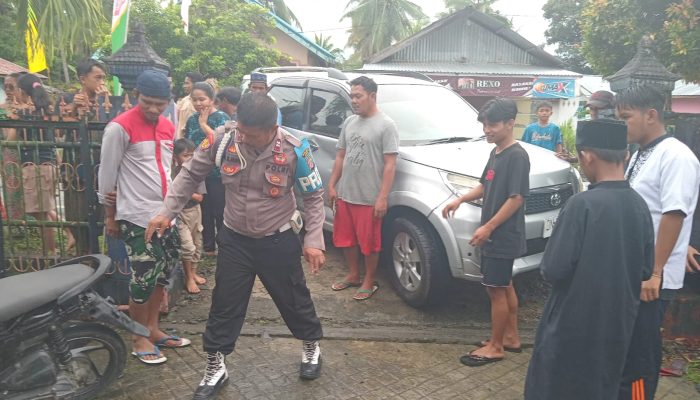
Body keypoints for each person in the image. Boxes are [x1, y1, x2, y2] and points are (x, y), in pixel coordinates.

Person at [147, 93, 326, 398]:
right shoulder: (223, 140)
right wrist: (166, 212)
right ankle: (216, 364)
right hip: (235, 240)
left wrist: (313, 241)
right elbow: (189, 175)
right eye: (240, 129)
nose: (243, 137)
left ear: (272, 129)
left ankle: (311, 346)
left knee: (294, 298)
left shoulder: (296, 151)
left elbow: (312, 198)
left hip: (278, 239)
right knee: (224, 304)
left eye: (251, 135)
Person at [524, 119, 655, 399]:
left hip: (572, 328)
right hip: (616, 328)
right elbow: (645, 269)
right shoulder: (639, 206)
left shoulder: (581, 205)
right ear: (626, 156)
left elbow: (553, 268)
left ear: (587, 156)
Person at [98, 70, 191, 366]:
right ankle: (138, 336)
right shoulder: (119, 128)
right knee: (142, 279)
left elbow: (167, 168)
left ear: (168, 101)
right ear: (136, 95)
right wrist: (110, 217)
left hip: (165, 216)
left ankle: (152, 329)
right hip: (137, 217)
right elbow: (107, 176)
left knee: (161, 276)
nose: (153, 109)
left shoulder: (167, 125)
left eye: (159, 103)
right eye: (147, 102)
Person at [617, 85, 700, 399]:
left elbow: (674, 214)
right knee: (628, 349)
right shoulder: (641, 153)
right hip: (636, 270)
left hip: (651, 277)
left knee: (640, 356)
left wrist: (655, 271)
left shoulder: (676, 155)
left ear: (650, 114)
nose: (621, 123)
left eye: (626, 116)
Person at [442, 98, 529, 367]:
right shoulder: (497, 152)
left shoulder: (517, 156)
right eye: (485, 125)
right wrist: (460, 199)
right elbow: (484, 186)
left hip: (503, 235)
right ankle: (511, 337)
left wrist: (488, 227)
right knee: (505, 284)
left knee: (495, 290)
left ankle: (496, 346)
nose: (487, 130)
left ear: (510, 124)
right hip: (496, 234)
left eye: (492, 125)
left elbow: (516, 199)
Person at [328, 76, 398, 301]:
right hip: (346, 194)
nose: (354, 101)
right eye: (352, 97)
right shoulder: (350, 123)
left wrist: (382, 197)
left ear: (373, 96)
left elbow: (390, 164)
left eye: (358, 96)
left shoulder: (386, 125)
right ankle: (353, 275)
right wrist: (332, 185)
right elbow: (340, 156)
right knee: (346, 239)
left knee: (369, 243)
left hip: (369, 197)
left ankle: (369, 280)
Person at [16, 73, 76, 253]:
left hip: (36, 167)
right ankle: (68, 231)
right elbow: (57, 134)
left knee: (41, 214)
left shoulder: (25, 113)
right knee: (40, 210)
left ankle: (50, 253)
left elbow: (10, 137)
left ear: (23, 91)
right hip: (47, 165)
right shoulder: (48, 112)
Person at [184, 82, 229, 256]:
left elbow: (223, 144)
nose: (198, 104)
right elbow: (188, 142)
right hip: (198, 175)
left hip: (218, 174)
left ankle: (225, 246)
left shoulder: (222, 118)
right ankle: (208, 247)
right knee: (204, 210)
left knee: (220, 210)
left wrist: (204, 125)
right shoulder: (191, 119)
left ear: (211, 99)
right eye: (194, 100)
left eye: (202, 99)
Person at [173, 138, 207, 294]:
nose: (190, 159)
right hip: (179, 212)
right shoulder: (171, 173)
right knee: (188, 246)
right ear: (175, 157)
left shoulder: (196, 172)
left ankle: (193, 272)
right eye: (186, 155)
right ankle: (188, 277)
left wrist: (181, 191)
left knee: (197, 244)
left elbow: (200, 197)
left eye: (192, 155)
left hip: (195, 211)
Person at [176, 71, 205, 139]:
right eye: (184, 83)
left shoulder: (204, 102)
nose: (184, 86)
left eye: (187, 83)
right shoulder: (184, 100)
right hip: (181, 140)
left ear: (195, 84)